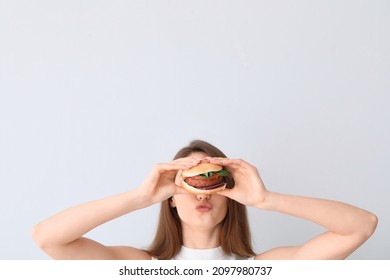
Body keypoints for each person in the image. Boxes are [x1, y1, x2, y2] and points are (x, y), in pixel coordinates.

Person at [32, 140, 378, 260]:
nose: (202, 192)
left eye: (213, 183)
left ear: (230, 198)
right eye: (190, 182)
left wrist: (265, 198)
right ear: (170, 199)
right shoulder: (140, 267)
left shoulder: (263, 269)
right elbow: (48, 238)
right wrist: (140, 197)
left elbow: (361, 226)